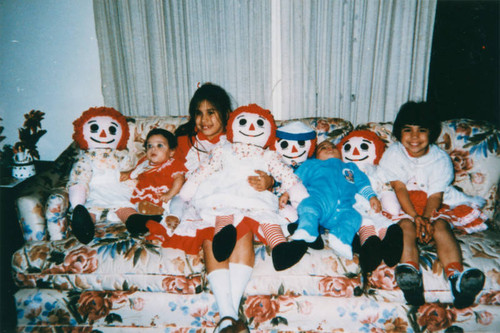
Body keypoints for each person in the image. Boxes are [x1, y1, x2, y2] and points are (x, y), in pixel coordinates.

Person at [165, 83, 272, 333]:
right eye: (199, 113)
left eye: (211, 112)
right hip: (202, 203)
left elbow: (271, 165)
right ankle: (229, 320)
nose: (204, 119)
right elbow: (165, 167)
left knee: (241, 231)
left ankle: (226, 319)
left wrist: (269, 180)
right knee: (211, 233)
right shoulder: (184, 141)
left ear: (225, 114)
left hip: (238, 201)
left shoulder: (243, 136)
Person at [378, 101, 485, 309]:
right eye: (407, 130)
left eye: (422, 130)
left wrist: (426, 219)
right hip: (403, 206)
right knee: (405, 228)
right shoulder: (393, 154)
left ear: (432, 133)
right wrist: (415, 219)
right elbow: (399, 190)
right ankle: (412, 281)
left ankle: (457, 279)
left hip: (431, 206)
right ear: (399, 133)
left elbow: (436, 195)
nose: (415, 137)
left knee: (442, 226)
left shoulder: (440, 159)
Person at [179, 104, 309, 270]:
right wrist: (183, 196)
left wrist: (302, 199)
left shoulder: (268, 155)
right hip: (226, 191)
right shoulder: (223, 149)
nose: (253, 128)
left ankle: (280, 250)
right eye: (244, 123)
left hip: (255, 196)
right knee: (224, 212)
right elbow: (203, 170)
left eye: (260, 124)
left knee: (267, 218)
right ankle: (222, 241)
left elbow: (287, 176)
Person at [286, 140, 382, 259]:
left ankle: (340, 239)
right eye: (323, 148)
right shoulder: (311, 164)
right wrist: (286, 193)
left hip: (344, 208)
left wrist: (372, 196)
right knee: (307, 206)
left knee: (355, 217)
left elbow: (362, 183)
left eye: (333, 146)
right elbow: (294, 180)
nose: (329, 148)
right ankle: (307, 229)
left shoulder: (350, 167)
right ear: (316, 155)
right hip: (320, 202)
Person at [118, 128, 187, 241]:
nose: (153, 149)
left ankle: (173, 217)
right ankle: (149, 221)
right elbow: (135, 172)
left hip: (167, 197)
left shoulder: (174, 163)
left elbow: (179, 179)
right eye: (150, 146)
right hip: (146, 199)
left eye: (160, 146)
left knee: (178, 201)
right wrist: (128, 174)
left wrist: (170, 194)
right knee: (128, 202)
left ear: (171, 152)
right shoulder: (143, 163)